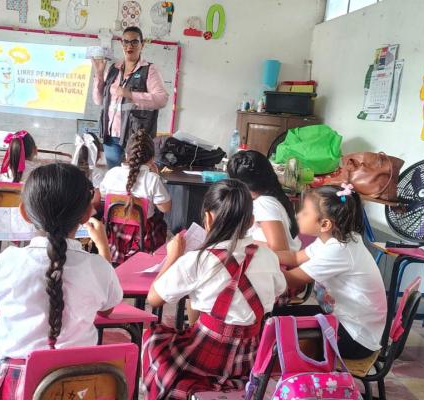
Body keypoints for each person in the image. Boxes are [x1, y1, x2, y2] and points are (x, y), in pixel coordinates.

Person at [0, 163, 123, 400]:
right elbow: (108, 308)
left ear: (24, 213)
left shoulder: (8, 261)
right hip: (78, 388)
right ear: (85, 215)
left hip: (16, 387)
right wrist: (103, 247)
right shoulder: (98, 266)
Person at [143, 179, 286, 399]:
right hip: (250, 358)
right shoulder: (268, 256)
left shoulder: (197, 260)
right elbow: (279, 290)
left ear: (208, 218)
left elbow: (154, 299)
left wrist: (173, 257)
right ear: (251, 221)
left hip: (205, 359)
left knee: (153, 339)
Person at [274, 184, 387, 359]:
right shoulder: (333, 239)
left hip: (355, 338)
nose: (298, 215)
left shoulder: (339, 249)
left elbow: (292, 280)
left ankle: (286, 374)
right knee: (274, 318)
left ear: (325, 224)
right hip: (343, 321)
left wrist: (256, 262)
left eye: (305, 212)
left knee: (274, 325)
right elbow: (295, 258)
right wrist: (260, 251)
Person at [92, 26, 169, 168]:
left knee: (135, 180)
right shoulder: (113, 68)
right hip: (111, 137)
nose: (129, 46)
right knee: (115, 179)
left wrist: (130, 94)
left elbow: (161, 99)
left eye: (134, 42)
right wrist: (99, 75)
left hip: (136, 138)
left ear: (142, 44)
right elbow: (98, 101)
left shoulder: (149, 70)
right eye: (125, 42)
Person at [99, 130, 171, 263]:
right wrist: (156, 175)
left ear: (126, 155)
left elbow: (103, 196)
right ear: (152, 159)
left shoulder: (112, 173)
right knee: (160, 221)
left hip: (113, 234)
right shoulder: (152, 179)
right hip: (142, 236)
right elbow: (165, 208)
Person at [226, 150, 301, 252]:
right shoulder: (272, 193)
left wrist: (240, 242)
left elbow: (280, 250)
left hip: (277, 264)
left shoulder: (264, 204)